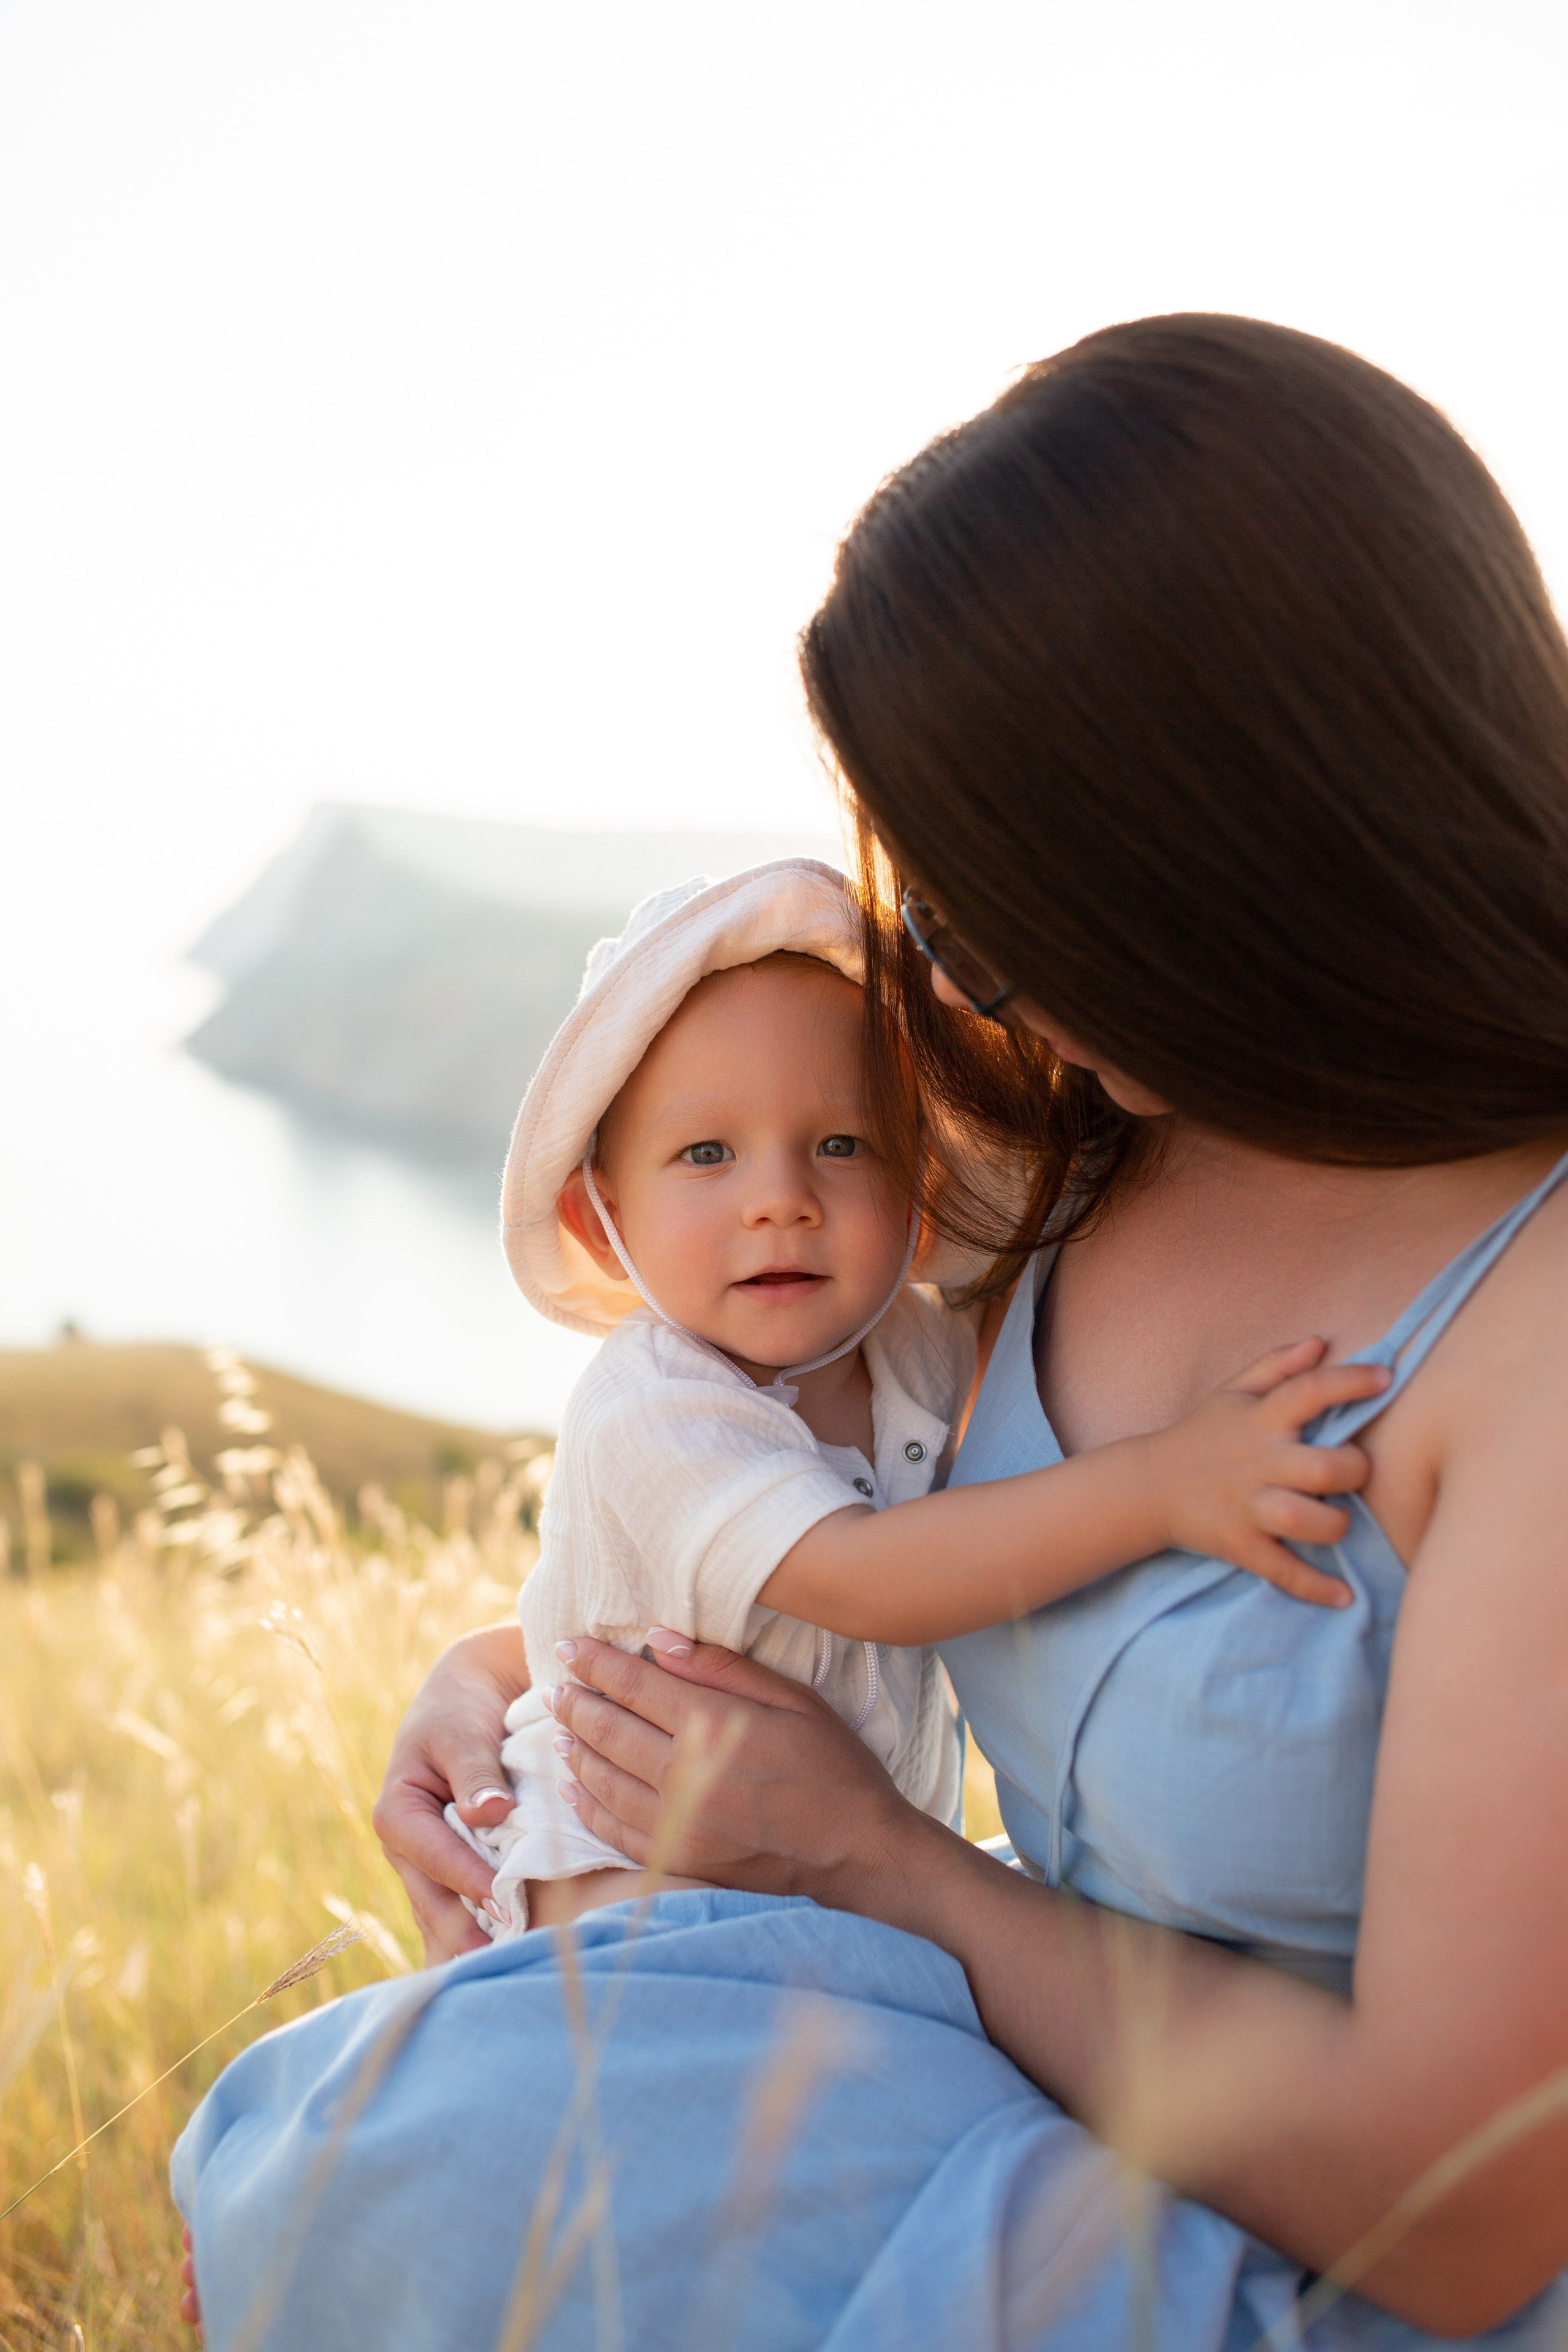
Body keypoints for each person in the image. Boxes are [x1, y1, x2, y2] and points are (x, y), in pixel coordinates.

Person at [173, 315, 1568, 2350]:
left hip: (1355, 2279)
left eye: (1020, 901)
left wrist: (884, 1861)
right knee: (424, 2121)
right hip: (1076, 2093)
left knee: (473, 2146)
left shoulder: (1528, 1338)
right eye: (945, 913)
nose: (973, 982)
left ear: (1243, 831)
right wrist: (534, 1686)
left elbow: (1461, 2222)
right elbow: (832, 1523)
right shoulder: (1071, 1149)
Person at [447, 857, 1376, 1936]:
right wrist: (1165, 1487)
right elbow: (870, 1579)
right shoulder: (654, 1409)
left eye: (843, 1145)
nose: (781, 1201)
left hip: (832, 1877)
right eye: (707, 1154)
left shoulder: (914, 1349)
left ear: (918, 1185)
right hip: (623, 1869)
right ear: (596, 1218)